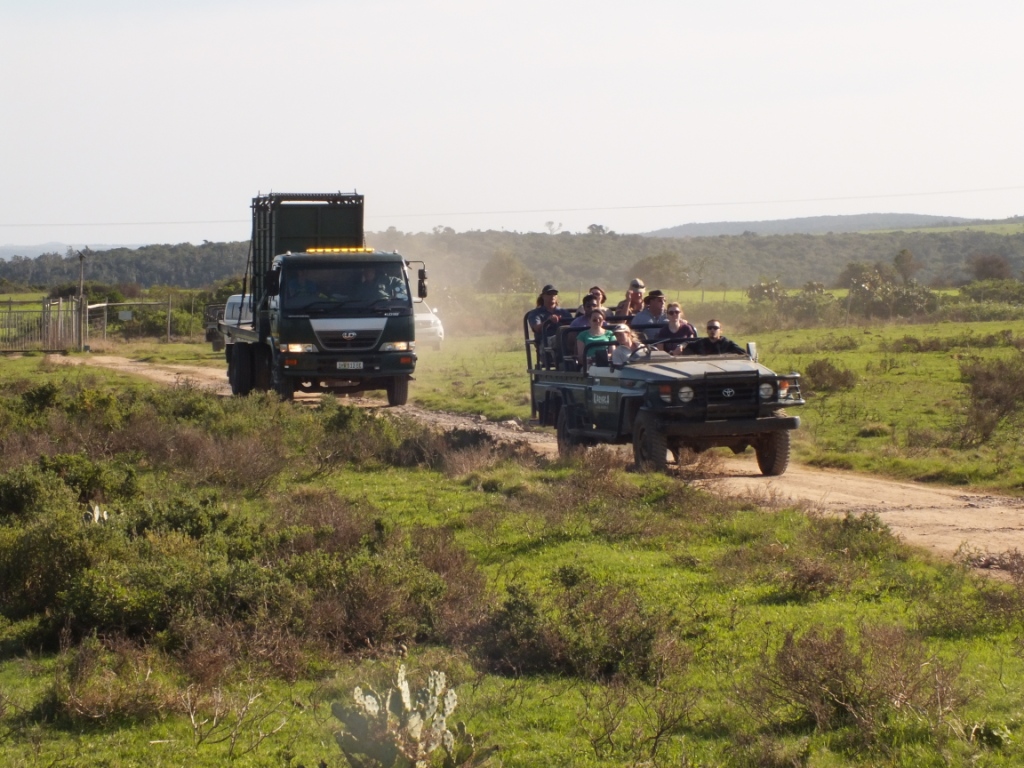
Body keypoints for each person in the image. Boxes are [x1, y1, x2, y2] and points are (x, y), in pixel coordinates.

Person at [527, 285, 572, 364]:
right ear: (543, 296)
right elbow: (537, 328)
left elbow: (572, 326)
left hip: (565, 340)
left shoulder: (564, 312)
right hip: (545, 345)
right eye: (549, 293)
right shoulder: (536, 313)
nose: (552, 296)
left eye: (554, 294)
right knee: (560, 337)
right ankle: (563, 361)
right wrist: (548, 321)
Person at [680, 319, 746, 356]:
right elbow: (687, 343)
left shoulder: (727, 343)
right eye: (709, 328)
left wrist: (726, 355)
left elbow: (743, 352)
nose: (712, 330)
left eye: (715, 328)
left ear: (721, 331)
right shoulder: (701, 343)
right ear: (707, 331)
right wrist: (681, 346)